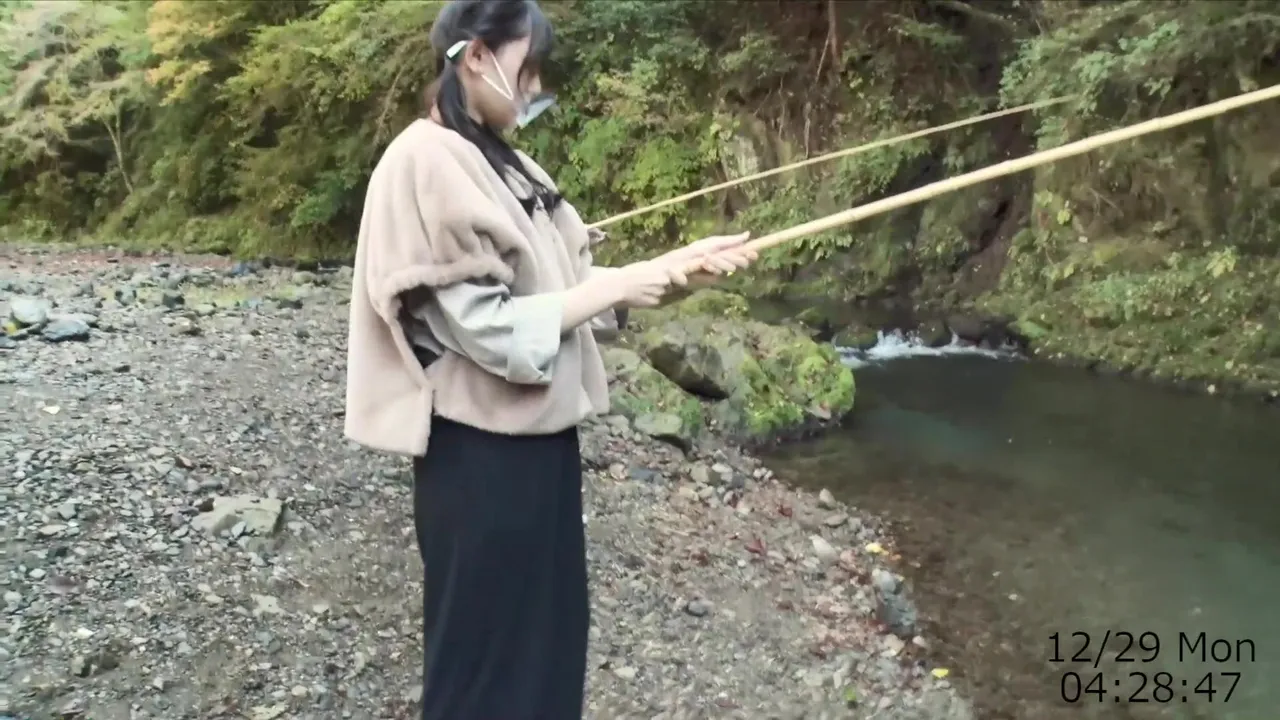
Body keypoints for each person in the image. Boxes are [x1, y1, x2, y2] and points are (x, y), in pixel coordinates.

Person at [343, 1, 757, 717]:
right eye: (526, 65)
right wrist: (620, 286)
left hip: (539, 448)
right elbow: (488, 329)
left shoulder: (501, 159)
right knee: (484, 669)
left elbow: (572, 288)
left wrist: (677, 269)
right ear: (477, 56)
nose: (535, 85)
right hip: (477, 457)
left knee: (547, 650)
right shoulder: (423, 158)